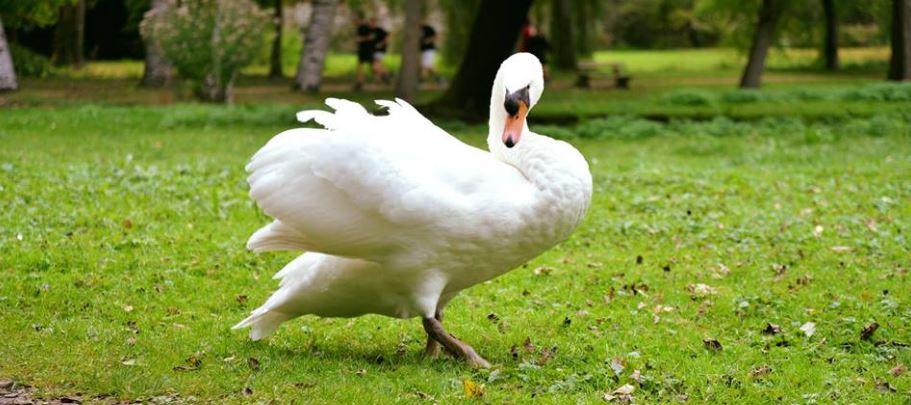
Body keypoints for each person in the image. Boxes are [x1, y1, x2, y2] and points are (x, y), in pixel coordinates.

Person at [354, 14, 375, 90]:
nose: (354, 21)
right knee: (360, 66)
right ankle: (359, 83)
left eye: (355, 19)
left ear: (360, 19)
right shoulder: (361, 27)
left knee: (373, 66)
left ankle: (386, 76)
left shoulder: (364, 27)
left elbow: (371, 37)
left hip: (366, 49)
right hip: (364, 49)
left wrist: (360, 39)